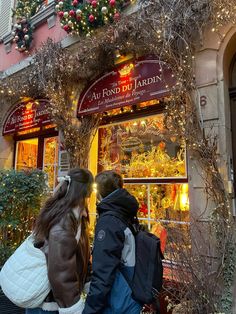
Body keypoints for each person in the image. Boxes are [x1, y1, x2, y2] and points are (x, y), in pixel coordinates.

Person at [25, 168, 94, 314]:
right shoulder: (65, 221)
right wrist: (74, 308)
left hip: (55, 300)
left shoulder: (72, 214)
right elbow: (61, 272)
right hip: (50, 305)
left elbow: (80, 254)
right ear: (85, 190)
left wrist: (88, 282)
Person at [83, 170, 142, 314]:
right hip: (130, 297)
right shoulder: (124, 212)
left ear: (99, 192)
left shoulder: (108, 222)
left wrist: (90, 309)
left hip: (117, 302)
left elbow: (104, 271)